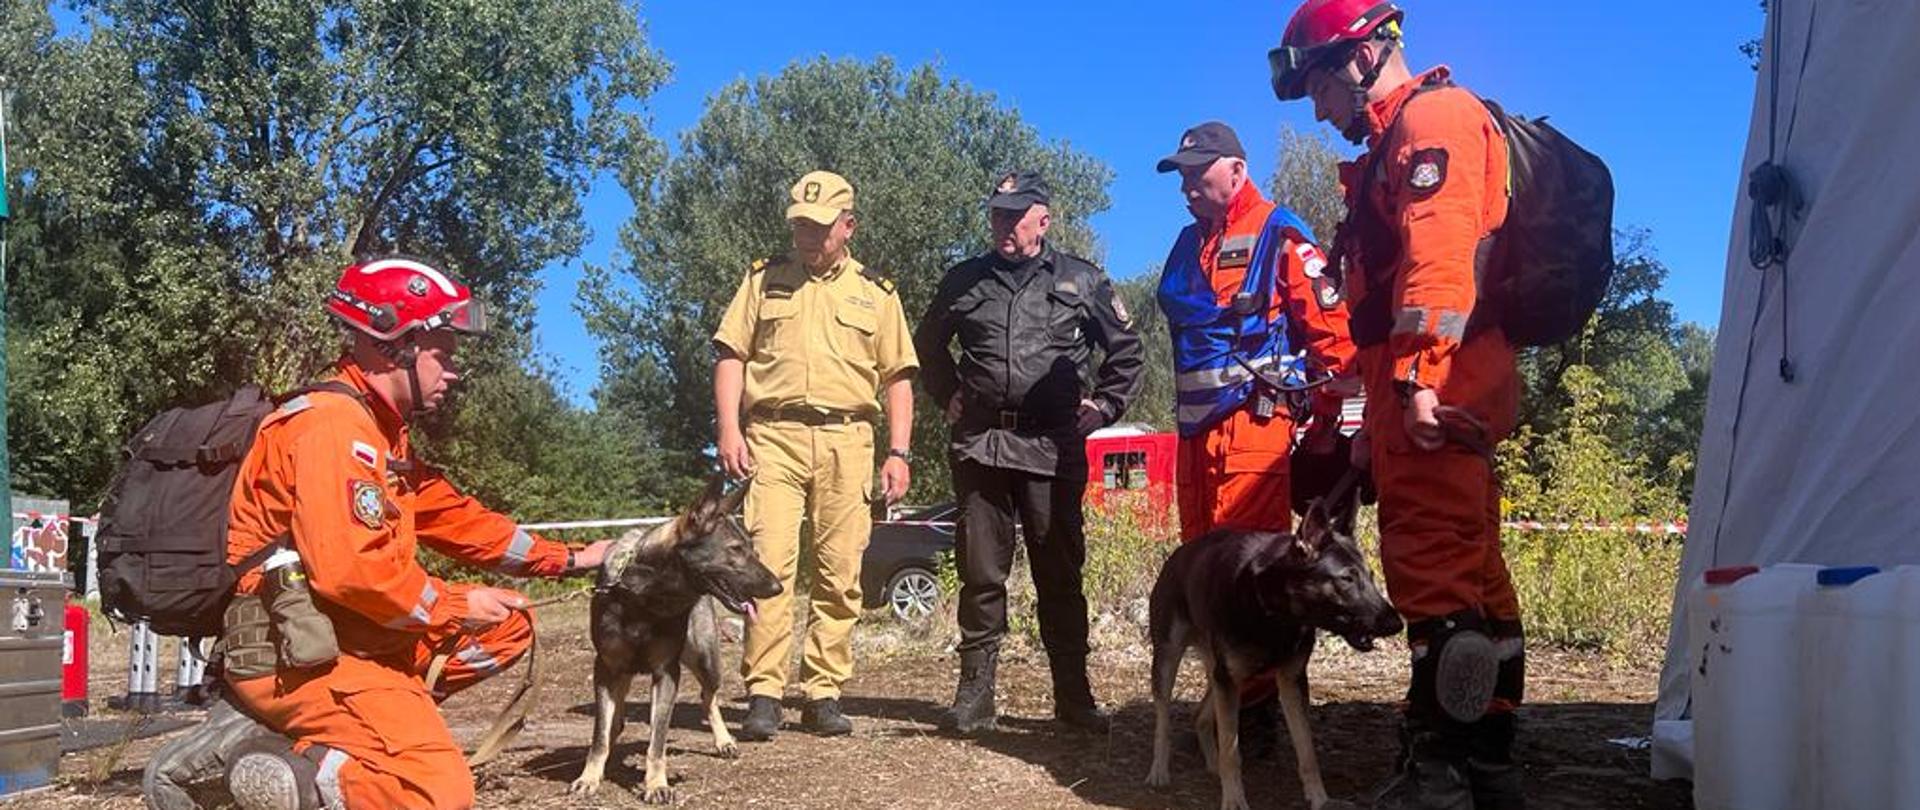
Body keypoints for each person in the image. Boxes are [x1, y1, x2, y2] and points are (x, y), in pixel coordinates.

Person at [144, 256, 614, 810]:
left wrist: (572, 559)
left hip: (353, 637)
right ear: (396, 346)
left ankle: (365, 731)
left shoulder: (382, 433)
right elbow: (353, 574)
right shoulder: (331, 427)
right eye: (443, 355)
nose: (453, 373)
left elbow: (459, 519)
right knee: (437, 794)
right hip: (297, 654)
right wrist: (455, 603)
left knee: (510, 624)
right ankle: (280, 758)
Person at [1272, 2, 1527, 807]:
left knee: (1435, 580)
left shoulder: (1432, 121)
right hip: (1424, 390)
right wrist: (1371, 425)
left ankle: (1439, 779)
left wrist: (1417, 386)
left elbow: (1438, 264)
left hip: (1438, 390)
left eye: (1320, 87)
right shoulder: (1398, 139)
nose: (1320, 111)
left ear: (1360, 58)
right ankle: (1489, 765)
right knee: (1475, 581)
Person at [913, 170, 1145, 736]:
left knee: (1059, 574)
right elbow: (925, 345)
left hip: (1052, 446)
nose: (1004, 225)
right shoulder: (964, 279)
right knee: (980, 573)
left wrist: (1104, 408)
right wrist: (946, 393)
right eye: (997, 213)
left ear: (1043, 218)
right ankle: (974, 696)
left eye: (1015, 215)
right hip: (982, 444)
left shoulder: (1081, 279)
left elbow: (1126, 352)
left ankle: (1073, 695)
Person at [1152, 120, 1357, 753]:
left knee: (1258, 576)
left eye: (1198, 172)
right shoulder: (1188, 244)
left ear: (1237, 170)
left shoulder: (1278, 233)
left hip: (1255, 430)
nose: (1187, 186)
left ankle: (1261, 711)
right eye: (1182, 176)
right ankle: (1224, 702)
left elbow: (1334, 340)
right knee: (1206, 574)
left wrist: (1329, 426)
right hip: (1196, 437)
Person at [712, 170, 918, 741]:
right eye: (800, 224)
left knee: (840, 569)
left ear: (848, 226)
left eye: (819, 227)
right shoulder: (763, 280)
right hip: (771, 436)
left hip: (848, 440)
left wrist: (898, 452)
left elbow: (898, 378)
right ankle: (764, 692)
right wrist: (728, 429)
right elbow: (730, 355)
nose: (807, 236)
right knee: (767, 563)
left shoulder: (876, 293)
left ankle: (823, 692)